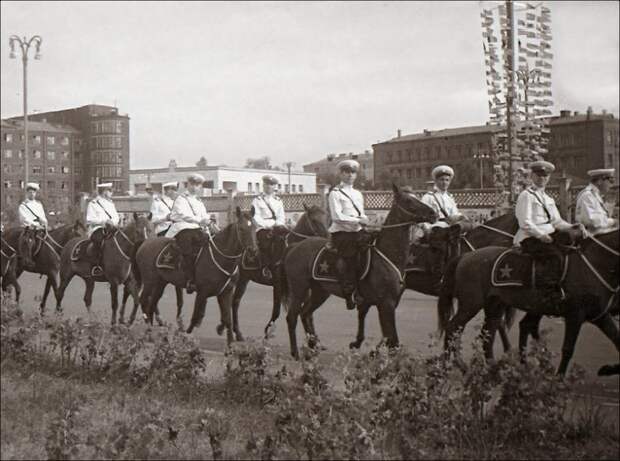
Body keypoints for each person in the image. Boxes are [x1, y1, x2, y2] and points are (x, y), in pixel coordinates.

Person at [514, 160, 584, 299]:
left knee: (572, 249)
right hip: (529, 237)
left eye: (545, 176)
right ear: (532, 176)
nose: (542, 178)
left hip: (548, 234)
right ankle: (548, 291)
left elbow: (556, 221)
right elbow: (525, 222)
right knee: (555, 255)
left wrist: (572, 226)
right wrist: (541, 236)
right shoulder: (526, 195)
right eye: (539, 175)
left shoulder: (548, 198)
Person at [328, 159, 369, 310]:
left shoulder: (358, 194)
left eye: (353, 172)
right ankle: (349, 291)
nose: (350, 175)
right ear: (340, 174)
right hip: (342, 233)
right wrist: (358, 220)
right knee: (351, 258)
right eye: (346, 172)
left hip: (357, 231)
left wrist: (365, 220)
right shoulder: (335, 193)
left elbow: (361, 213)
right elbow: (337, 216)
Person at [166, 173, 210, 294]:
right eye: (193, 184)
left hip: (197, 228)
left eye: (198, 185)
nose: (195, 187)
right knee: (188, 249)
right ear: (188, 184)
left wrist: (208, 221)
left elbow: (204, 215)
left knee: (209, 244)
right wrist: (200, 220)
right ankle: (190, 279)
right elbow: (183, 215)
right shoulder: (181, 199)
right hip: (182, 227)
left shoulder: (199, 201)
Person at [252, 175, 286, 278]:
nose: (268, 186)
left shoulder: (278, 201)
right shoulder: (257, 200)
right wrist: (270, 225)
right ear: (263, 185)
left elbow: (281, 217)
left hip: (277, 227)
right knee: (266, 243)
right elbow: (256, 218)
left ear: (274, 186)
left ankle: (284, 264)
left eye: (271, 185)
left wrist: (278, 225)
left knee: (287, 240)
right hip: (263, 229)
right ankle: (266, 267)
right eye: (266, 184)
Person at [85, 183, 120, 276]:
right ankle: (96, 265)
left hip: (111, 228)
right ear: (104, 191)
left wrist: (113, 222)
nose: (111, 193)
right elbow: (89, 219)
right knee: (100, 241)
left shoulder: (111, 204)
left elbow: (116, 217)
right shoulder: (93, 203)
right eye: (110, 190)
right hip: (97, 228)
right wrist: (104, 221)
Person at [575, 168, 618, 234]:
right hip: (593, 239)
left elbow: (603, 216)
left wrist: (611, 202)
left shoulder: (596, 195)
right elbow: (592, 222)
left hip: (602, 235)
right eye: (610, 181)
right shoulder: (587, 196)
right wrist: (613, 221)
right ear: (599, 181)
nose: (611, 185)